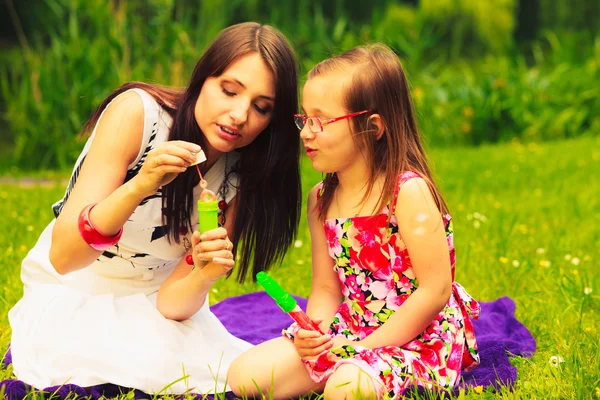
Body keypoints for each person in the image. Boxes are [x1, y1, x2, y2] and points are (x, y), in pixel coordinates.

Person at [8, 22, 301, 395]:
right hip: (78, 286)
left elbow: (171, 304)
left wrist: (202, 272)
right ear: (202, 79)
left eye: (261, 108)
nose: (240, 115)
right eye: (229, 91)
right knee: (103, 359)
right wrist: (141, 185)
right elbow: (65, 257)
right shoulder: (138, 116)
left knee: (219, 372)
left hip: (155, 301)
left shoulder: (242, 171)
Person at [228, 44, 480, 400]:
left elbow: (434, 291)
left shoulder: (407, 192)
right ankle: (342, 370)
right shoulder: (321, 199)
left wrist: (363, 349)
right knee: (245, 376)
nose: (305, 133)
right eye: (304, 119)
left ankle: (360, 376)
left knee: (345, 388)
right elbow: (327, 290)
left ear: (371, 126)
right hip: (351, 328)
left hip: (416, 335)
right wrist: (314, 332)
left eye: (320, 121)